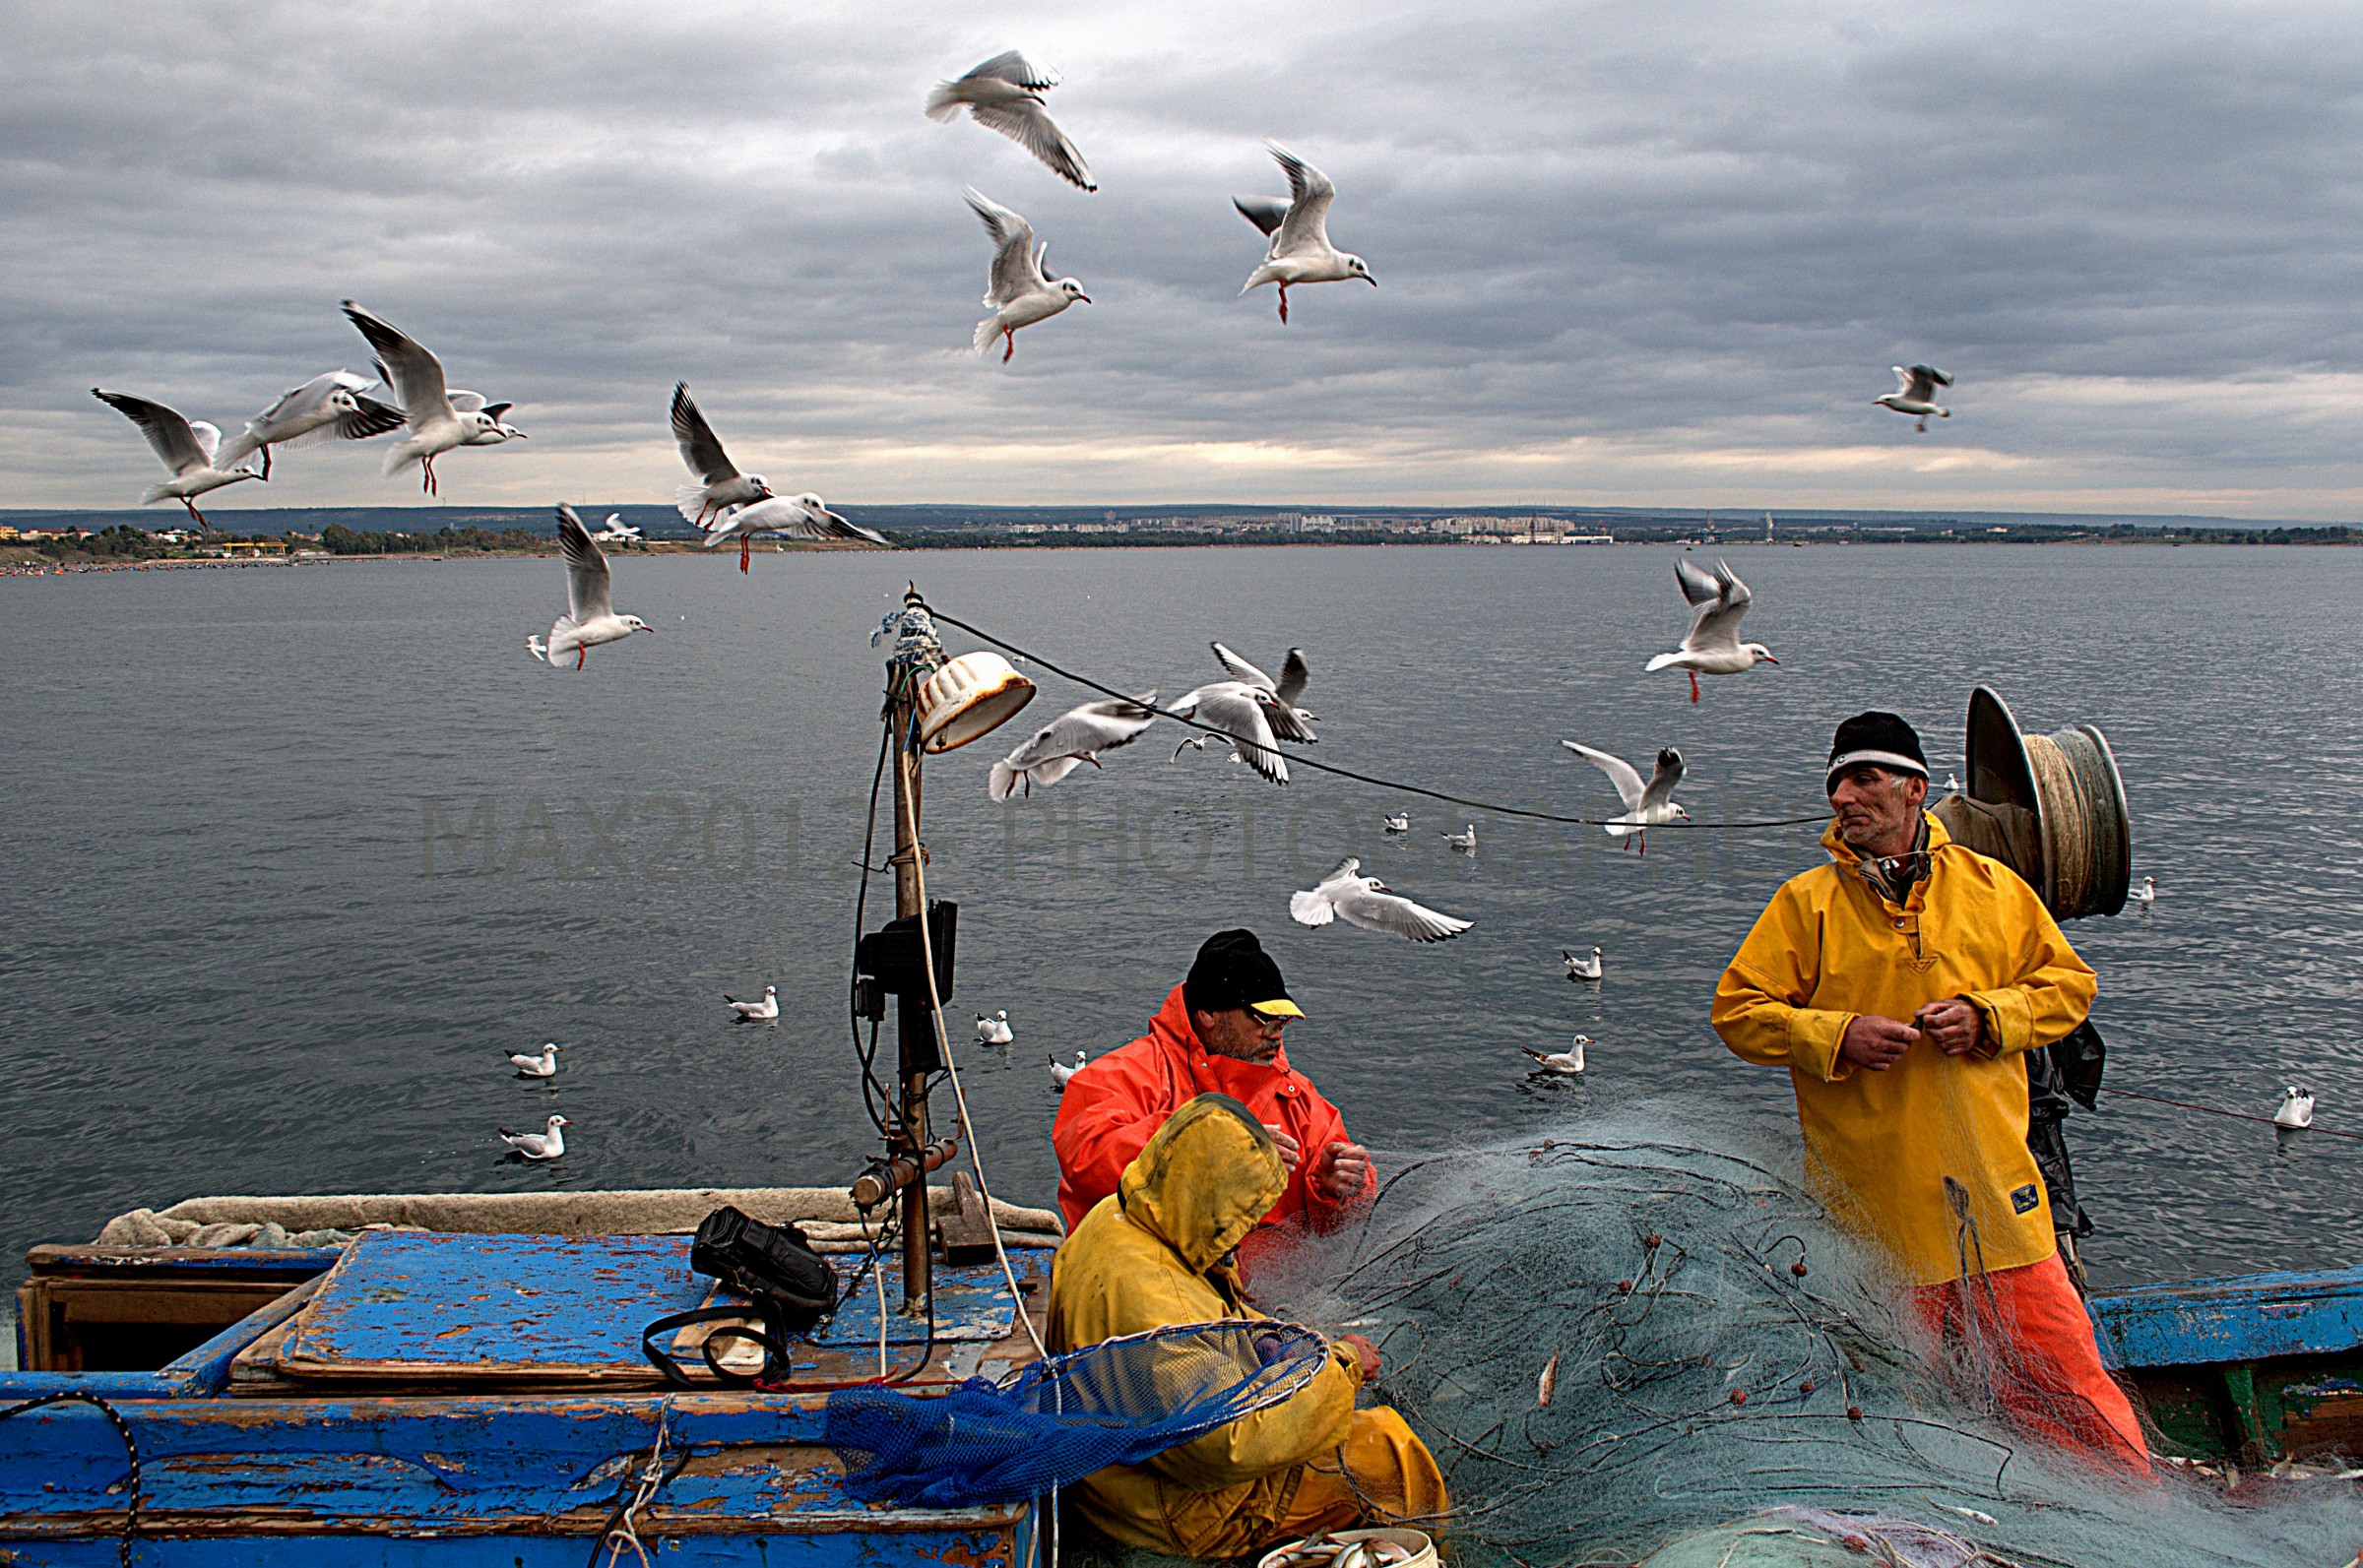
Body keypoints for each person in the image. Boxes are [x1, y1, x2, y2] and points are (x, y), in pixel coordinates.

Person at [1711, 712, 2149, 1475]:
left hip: (1998, 1210)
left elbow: (2069, 986)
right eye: (1836, 783)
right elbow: (1738, 1013)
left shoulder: (1993, 889)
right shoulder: (1806, 905)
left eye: (1863, 779)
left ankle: (2133, 1513)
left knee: (2071, 1392)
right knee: (1895, 1411)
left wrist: (1989, 1017)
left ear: (1915, 788)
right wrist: (1835, 1035)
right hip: (1874, 1227)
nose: (1843, 797)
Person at [1050, 1093, 1446, 1557]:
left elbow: (1209, 1314)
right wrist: (1342, 1367)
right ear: (1211, 1202)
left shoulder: (1117, 1217)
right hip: (1170, 1511)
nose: (1243, 1235)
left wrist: (1288, 1343)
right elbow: (1228, 1445)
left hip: (1113, 1471)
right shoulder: (1160, 1306)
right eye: (1240, 1218)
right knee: (1388, 1449)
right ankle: (1432, 1551)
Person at [1054, 929, 1373, 1268]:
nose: (1276, 1033)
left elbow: (1338, 1218)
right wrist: (1211, 1147)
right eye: (1264, 1018)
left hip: (1273, 1296)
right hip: (1146, 1284)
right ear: (1207, 1013)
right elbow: (1087, 1160)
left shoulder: (1298, 1097)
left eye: (1283, 1020)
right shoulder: (1123, 1075)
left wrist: (1336, 1188)